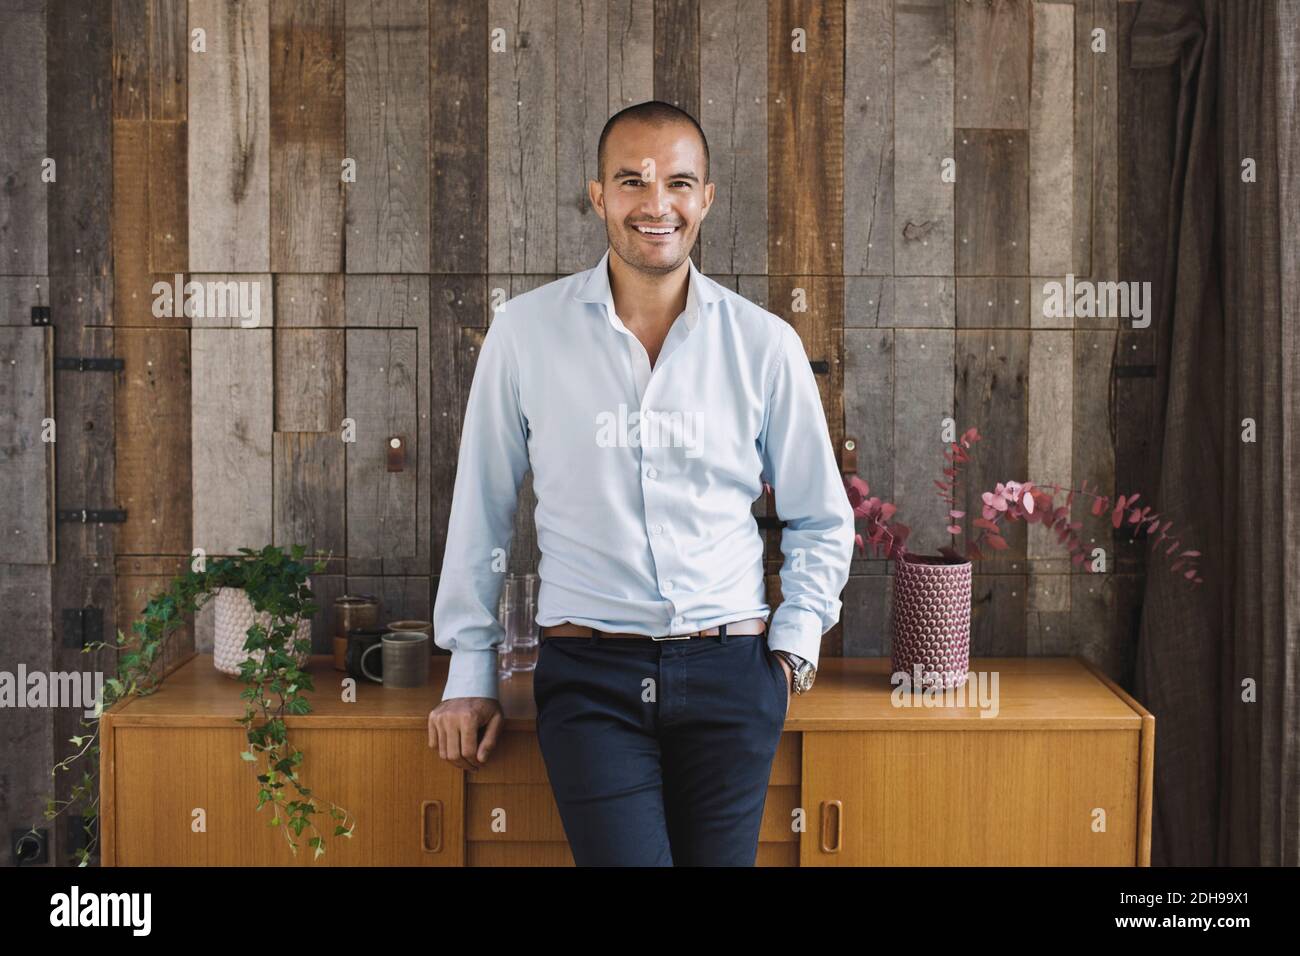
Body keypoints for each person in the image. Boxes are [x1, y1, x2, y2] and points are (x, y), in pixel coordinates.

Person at [427, 100, 854, 865]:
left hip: (732, 674)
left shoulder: (765, 345)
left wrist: (792, 648)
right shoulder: (525, 335)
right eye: (632, 181)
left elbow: (822, 516)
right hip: (590, 681)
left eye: (679, 184)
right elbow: (482, 511)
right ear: (598, 195)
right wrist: (470, 667)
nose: (656, 205)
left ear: (707, 198)